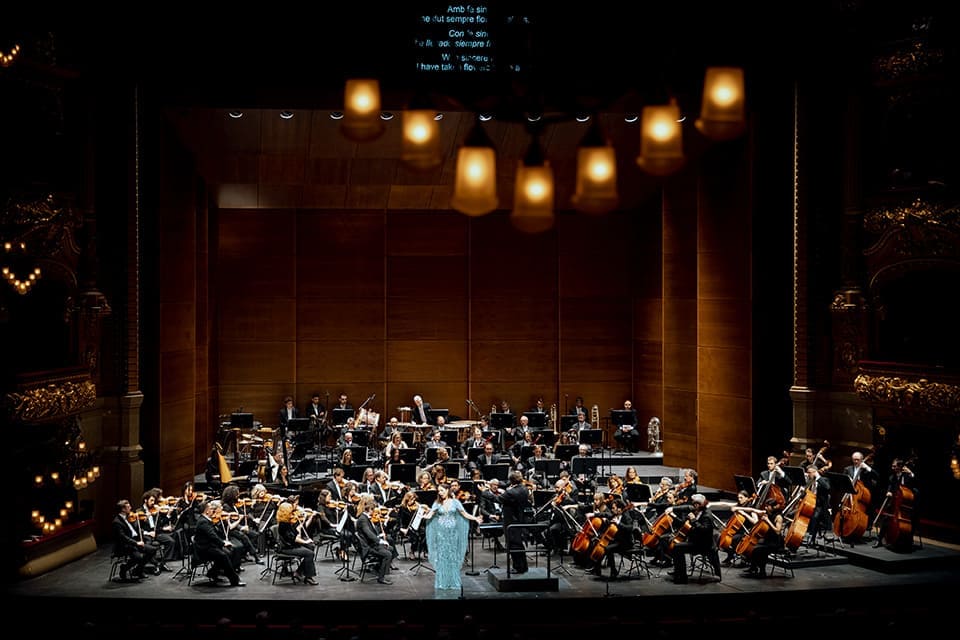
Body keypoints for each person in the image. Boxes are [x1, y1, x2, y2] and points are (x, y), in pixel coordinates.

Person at [422, 481, 483, 590]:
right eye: (439, 491)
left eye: (442, 490)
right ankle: (442, 581)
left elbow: (464, 514)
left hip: (453, 534)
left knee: (452, 556)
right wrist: (423, 516)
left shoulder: (455, 502)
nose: (440, 493)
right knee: (442, 556)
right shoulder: (437, 503)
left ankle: (453, 580)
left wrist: (476, 519)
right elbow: (430, 514)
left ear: (447, 490)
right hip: (441, 533)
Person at [665, 493, 721, 584]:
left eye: (693, 504)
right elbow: (686, 514)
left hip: (703, 545)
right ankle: (679, 573)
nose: (691, 506)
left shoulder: (707, 516)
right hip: (696, 541)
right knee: (676, 545)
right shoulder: (698, 510)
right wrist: (672, 512)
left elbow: (703, 530)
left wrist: (694, 520)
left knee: (677, 547)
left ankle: (682, 577)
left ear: (697, 504)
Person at [194, 500, 245, 587]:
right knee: (223, 556)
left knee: (228, 552)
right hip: (204, 549)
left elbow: (214, 535)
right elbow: (212, 536)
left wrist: (223, 542)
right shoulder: (203, 522)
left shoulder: (205, 520)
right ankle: (234, 580)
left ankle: (212, 573)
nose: (212, 510)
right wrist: (223, 543)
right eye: (210, 509)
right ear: (206, 511)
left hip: (209, 546)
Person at [873, 457, 917, 549]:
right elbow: (890, 486)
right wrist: (888, 491)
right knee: (886, 517)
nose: (892, 468)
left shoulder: (907, 476)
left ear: (900, 466)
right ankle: (879, 539)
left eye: (894, 466)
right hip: (895, 502)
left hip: (906, 505)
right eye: (892, 466)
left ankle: (908, 541)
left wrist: (910, 473)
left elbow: (914, 484)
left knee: (913, 519)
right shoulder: (892, 476)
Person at [112, 499, 157, 581]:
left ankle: (138, 570)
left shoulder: (129, 518)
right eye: (128, 507)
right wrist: (137, 543)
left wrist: (138, 522)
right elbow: (123, 538)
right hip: (124, 546)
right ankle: (124, 568)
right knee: (138, 557)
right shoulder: (117, 522)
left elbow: (135, 530)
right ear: (123, 509)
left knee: (152, 550)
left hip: (134, 543)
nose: (131, 508)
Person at [355, 495, 395, 584]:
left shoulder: (366, 518)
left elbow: (371, 532)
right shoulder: (363, 519)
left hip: (371, 544)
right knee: (387, 554)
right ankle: (381, 577)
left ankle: (379, 568)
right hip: (368, 547)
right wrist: (380, 541)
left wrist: (380, 535)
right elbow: (368, 534)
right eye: (374, 510)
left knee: (390, 548)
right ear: (370, 510)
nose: (375, 513)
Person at [275, 502, 318, 584]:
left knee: (310, 547)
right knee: (309, 553)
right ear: (286, 513)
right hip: (286, 548)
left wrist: (300, 524)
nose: (293, 513)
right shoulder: (283, 525)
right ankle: (309, 577)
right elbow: (293, 539)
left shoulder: (288, 522)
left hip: (291, 545)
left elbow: (296, 534)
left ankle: (298, 572)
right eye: (291, 511)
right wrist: (305, 541)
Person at [741, 498, 785, 578]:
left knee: (759, 550)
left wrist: (767, 521)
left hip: (776, 543)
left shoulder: (779, 517)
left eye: (768, 506)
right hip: (768, 540)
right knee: (753, 548)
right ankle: (753, 568)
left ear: (773, 507)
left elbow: (778, 531)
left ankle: (762, 571)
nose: (765, 508)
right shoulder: (767, 514)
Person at [500, 470, 532, 573]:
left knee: (513, 544)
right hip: (520, 518)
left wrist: (484, 492)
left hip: (511, 520)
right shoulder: (525, 489)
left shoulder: (510, 492)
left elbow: (498, 499)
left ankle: (518, 567)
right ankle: (523, 566)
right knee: (519, 544)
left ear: (511, 481)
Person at [804, 463, 833, 540]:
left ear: (815, 472)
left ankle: (811, 536)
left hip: (820, 505)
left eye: (809, 472)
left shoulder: (824, 480)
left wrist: (818, 477)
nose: (808, 474)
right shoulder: (809, 481)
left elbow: (827, 487)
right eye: (807, 472)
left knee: (815, 516)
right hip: (810, 504)